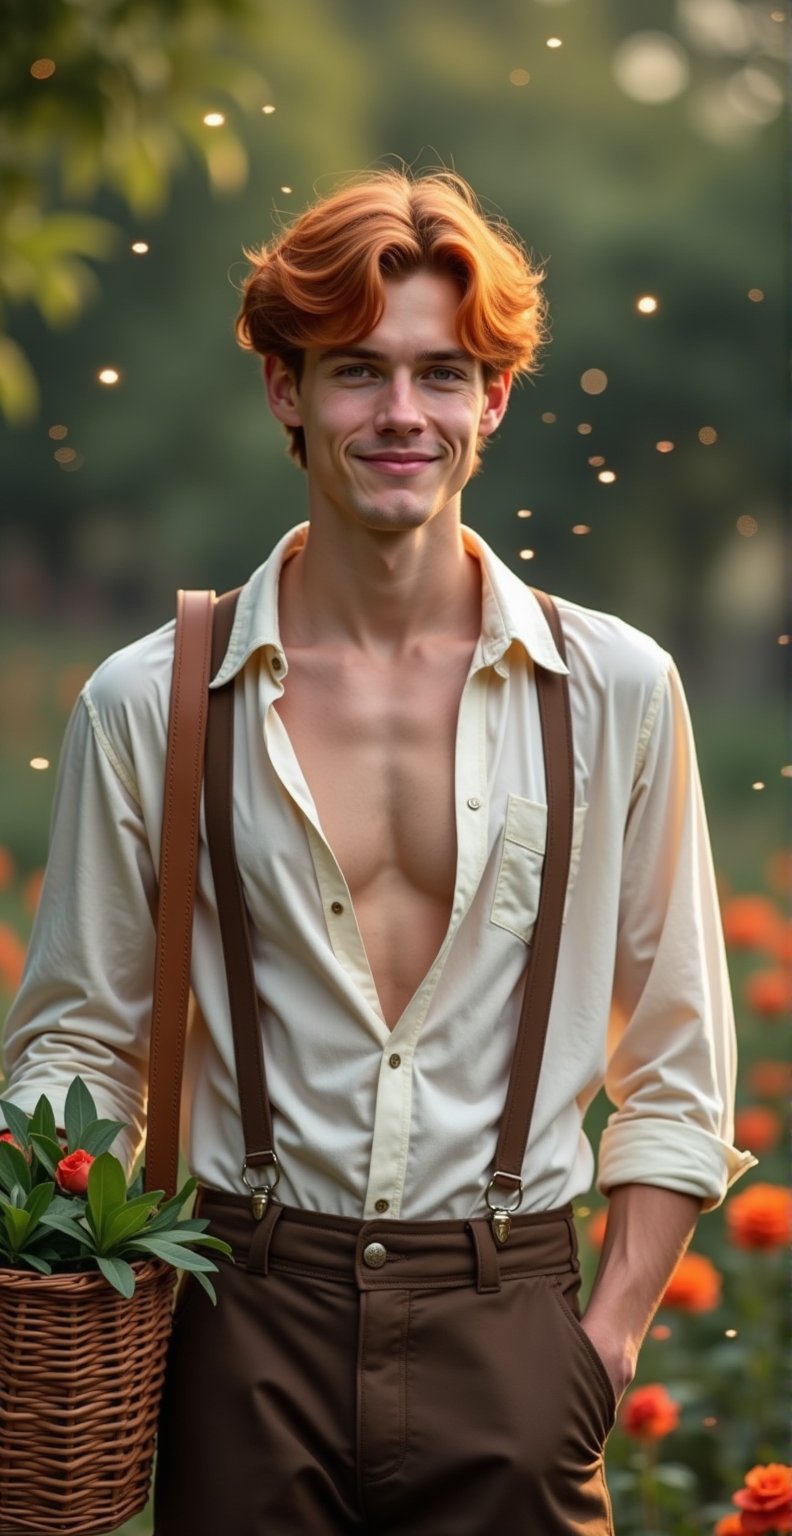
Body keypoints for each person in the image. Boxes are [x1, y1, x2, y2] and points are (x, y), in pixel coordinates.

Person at [2, 170, 754, 1534]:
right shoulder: (151, 700)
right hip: (239, 1322)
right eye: (356, 372)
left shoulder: (618, 690)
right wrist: (61, 1251)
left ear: (495, 400)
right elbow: (75, 1048)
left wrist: (607, 1340)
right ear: (287, 393)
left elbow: (681, 1056)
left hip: (514, 1317)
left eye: (441, 374)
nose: (401, 415)